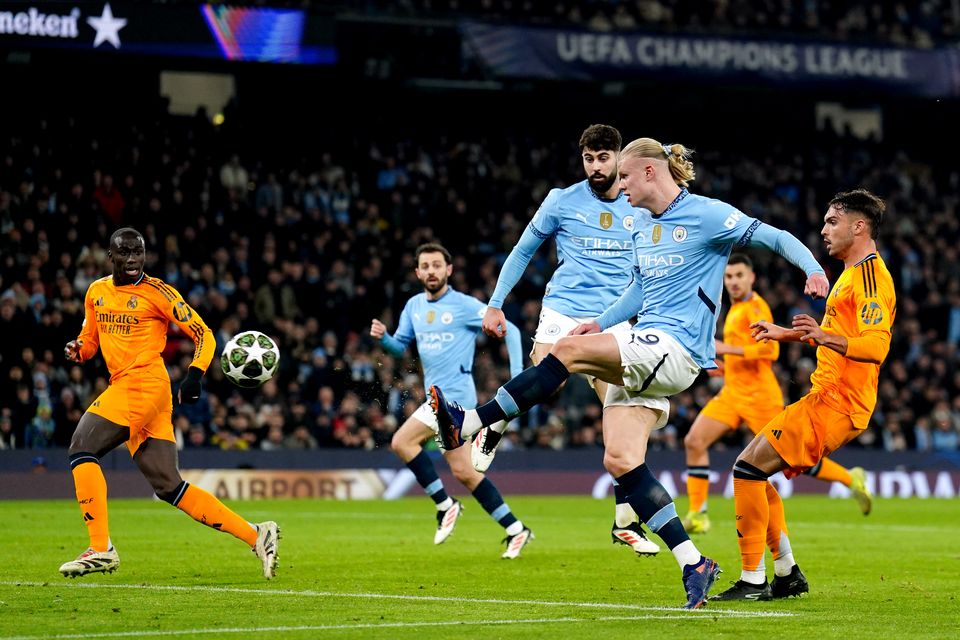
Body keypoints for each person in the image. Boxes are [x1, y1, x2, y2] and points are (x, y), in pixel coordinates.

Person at [431, 137, 829, 609]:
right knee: (619, 460)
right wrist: (600, 322)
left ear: (646, 173)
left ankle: (471, 423)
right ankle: (693, 562)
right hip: (645, 345)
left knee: (566, 352)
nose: (619, 186)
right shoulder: (640, 223)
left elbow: (774, 236)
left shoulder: (705, 215)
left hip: (675, 347)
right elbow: (640, 289)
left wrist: (813, 269)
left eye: (624, 176)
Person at [479, 123, 658, 556]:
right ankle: (493, 423)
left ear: (619, 158)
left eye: (603, 157)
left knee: (623, 411)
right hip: (562, 309)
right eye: (588, 158)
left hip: (612, 319)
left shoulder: (642, 205)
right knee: (548, 378)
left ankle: (624, 521)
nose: (595, 166)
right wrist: (496, 302)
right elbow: (523, 249)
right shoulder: (562, 200)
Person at [59, 228, 279, 579]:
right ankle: (256, 534)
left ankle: (100, 548)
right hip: (135, 390)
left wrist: (195, 373)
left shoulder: (158, 292)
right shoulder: (96, 292)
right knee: (168, 486)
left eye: (138, 252)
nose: (132, 259)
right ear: (110, 256)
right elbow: (90, 340)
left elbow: (203, 334)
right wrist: (78, 350)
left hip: (143, 385)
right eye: (125, 252)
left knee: (81, 448)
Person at [712, 189, 894, 601]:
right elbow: (833, 337)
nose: (824, 229)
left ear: (858, 226)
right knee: (754, 471)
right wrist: (788, 333)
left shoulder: (870, 278)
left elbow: (876, 347)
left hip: (839, 402)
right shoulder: (850, 274)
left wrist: (822, 334)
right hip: (825, 397)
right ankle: (785, 573)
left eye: (832, 221)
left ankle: (754, 578)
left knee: (747, 470)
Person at [682, 253, 872, 535]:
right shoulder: (733, 308)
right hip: (733, 394)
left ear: (752, 278)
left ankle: (850, 478)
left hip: (761, 398)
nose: (734, 282)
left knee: (791, 459)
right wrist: (722, 366)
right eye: (729, 277)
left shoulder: (755, 308)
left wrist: (726, 349)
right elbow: (743, 355)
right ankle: (698, 514)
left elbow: (770, 350)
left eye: (739, 276)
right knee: (694, 441)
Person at [370, 242, 533, 558]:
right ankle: (516, 529)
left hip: (453, 400)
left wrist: (517, 375)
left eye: (436, 265)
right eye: (425, 266)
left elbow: (509, 329)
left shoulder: (464, 305)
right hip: (437, 399)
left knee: (402, 442)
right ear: (418, 272)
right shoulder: (414, 307)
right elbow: (399, 347)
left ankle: (445, 506)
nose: (431, 271)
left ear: (449, 270)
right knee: (465, 473)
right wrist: (384, 337)